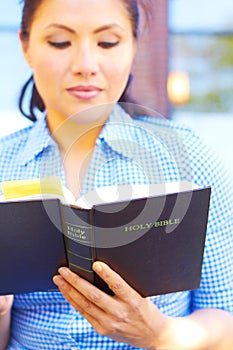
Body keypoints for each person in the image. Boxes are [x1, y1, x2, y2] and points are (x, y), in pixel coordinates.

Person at [0, 0, 233, 349]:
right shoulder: (3, 163)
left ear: (134, 46)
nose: (85, 65)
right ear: (25, 45)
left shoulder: (186, 158)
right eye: (60, 43)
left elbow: (224, 318)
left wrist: (162, 335)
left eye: (107, 43)